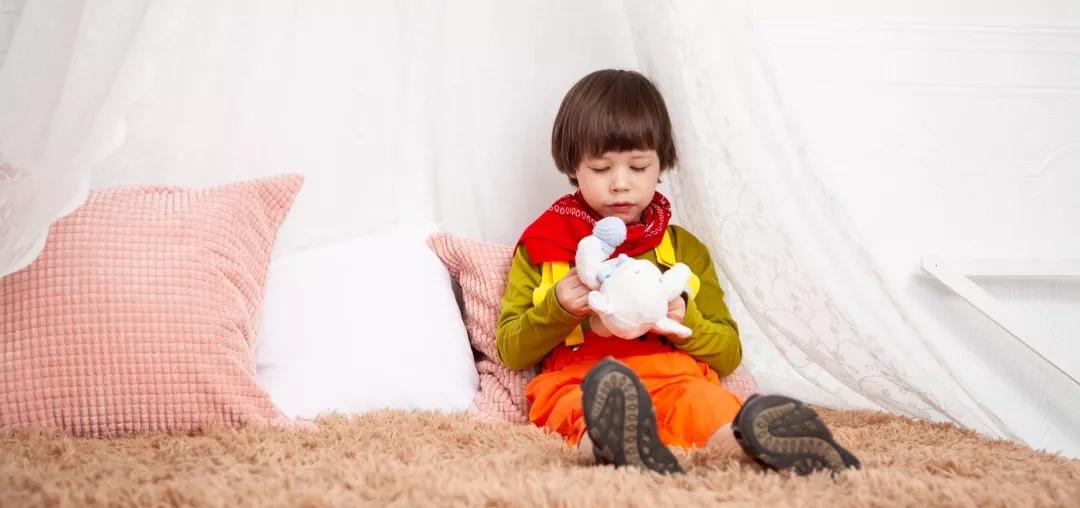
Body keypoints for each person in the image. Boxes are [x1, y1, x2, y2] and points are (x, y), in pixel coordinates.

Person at [496, 69, 860, 475]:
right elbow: (512, 350)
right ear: (572, 165)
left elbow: (728, 355)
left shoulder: (684, 249)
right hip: (585, 378)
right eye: (601, 169)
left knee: (707, 404)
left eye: (637, 167)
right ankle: (611, 442)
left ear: (661, 164)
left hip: (674, 374)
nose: (620, 184)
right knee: (570, 405)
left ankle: (758, 445)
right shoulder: (543, 245)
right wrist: (559, 308)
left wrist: (688, 318)